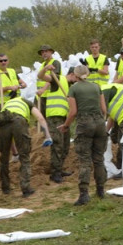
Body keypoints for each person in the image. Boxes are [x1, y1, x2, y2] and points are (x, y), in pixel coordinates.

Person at [60, 64, 108, 205]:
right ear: (87, 74)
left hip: (84, 124)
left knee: (85, 160)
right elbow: (104, 109)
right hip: (99, 123)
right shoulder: (96, 86)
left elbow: (73, 112)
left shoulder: (73, 89)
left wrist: (66, 125)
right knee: (99, 159)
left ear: (75, 75)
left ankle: (84, 194)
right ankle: (100, 190)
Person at [0, 96, 36, 197]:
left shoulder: (7, 105)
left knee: (4, 158)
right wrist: (47, 135)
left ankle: (5, 188)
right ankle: (26, 188)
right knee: (24, 157)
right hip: (19, 122)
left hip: (4, 125)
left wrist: (14, 152)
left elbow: (8, 137)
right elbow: (40, 118)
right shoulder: (26, 102)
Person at [38, 52, 71, 182]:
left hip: (64, 117)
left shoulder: (67, 83)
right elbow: (40, 76)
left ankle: (60, 168)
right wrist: (45, 69)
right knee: (57, 144)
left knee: (65, 145)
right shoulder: (56, 80)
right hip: (55, 117)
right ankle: (55, 172)